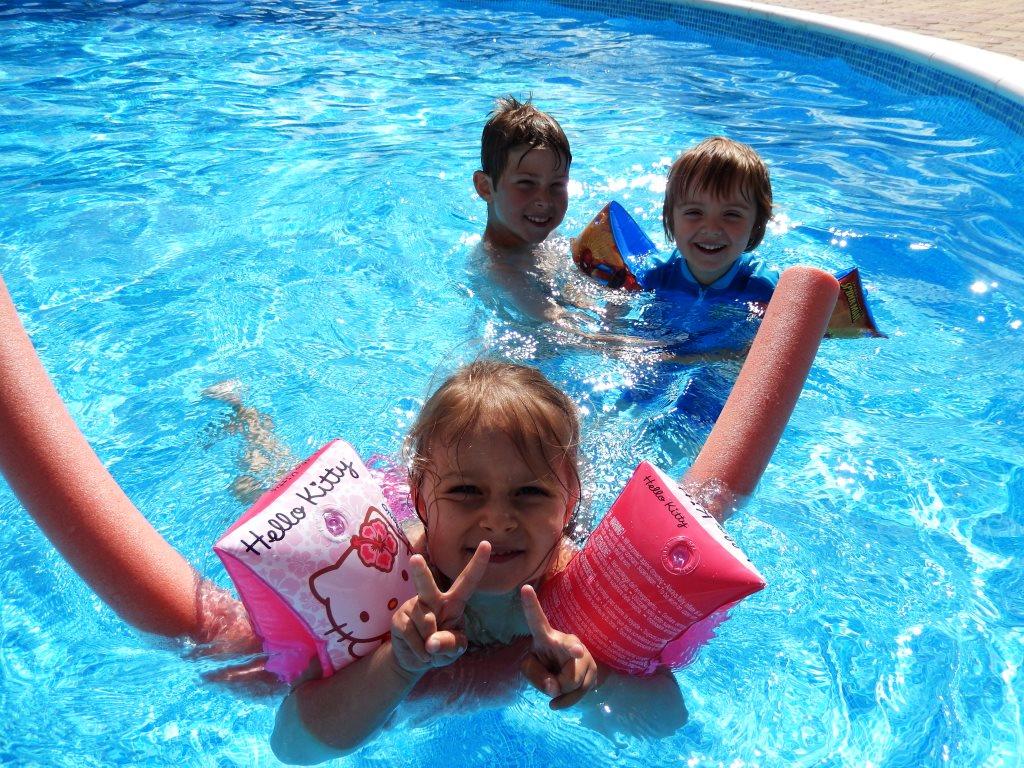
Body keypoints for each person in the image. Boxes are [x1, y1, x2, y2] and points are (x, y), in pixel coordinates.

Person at [270, 361, 612, 762]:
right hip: (380, 519)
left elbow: (665, 719)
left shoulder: (578, 586)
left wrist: (592, 682)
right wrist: (398, 663)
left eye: (530, 492)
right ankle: (249, 426)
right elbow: (292, 749)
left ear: (570, 504)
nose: (498, 520)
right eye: (466, 490)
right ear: (420, 500)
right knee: (277, 485)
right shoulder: (391, 579)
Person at [635, 136, 778, 302]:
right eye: (694, 212)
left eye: (732, 214)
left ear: (756, 224)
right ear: (671, 218)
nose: (711, 229)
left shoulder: (764, 288)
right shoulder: (652, 275)